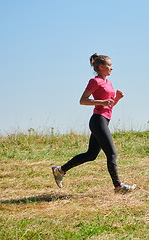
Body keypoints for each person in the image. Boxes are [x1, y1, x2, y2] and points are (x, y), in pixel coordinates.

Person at [52, 53, 136, 193]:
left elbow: (109, 106)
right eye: (109, 65)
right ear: (101, 66)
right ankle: (118, 187)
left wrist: (117, 99)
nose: (112, 68)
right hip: (98, 120)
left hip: (104, 120)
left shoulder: (108, 83)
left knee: (91, 154)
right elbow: (83, 100)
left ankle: (60, 170)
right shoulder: (95, 81)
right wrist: (101, 102)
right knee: (112, 154)